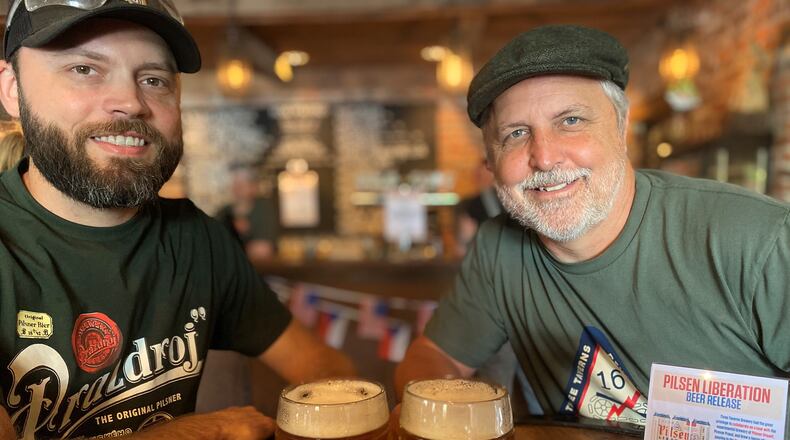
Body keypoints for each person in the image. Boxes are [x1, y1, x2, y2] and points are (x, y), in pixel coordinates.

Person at [395, 24, 790, 426]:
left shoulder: (758, 240)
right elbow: (435, 356)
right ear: (491, 164)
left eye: (571, 121)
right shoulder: (499, 249)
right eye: (516, 133)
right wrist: (442, 417)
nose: (545, 158)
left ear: (621, 129)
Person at [0, 1, 354, 439]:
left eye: (153, 79)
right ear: (13, 89)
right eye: (84, 69)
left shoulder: (196, 239)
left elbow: (325, 368)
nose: (130, 102)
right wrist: (204, 433)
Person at [215, 165, 279, 263]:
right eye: (235, 185)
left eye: (241, 185)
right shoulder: (223, 212)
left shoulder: (263, 208)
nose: (237, 189)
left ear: (253, 187)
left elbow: (263, 250)